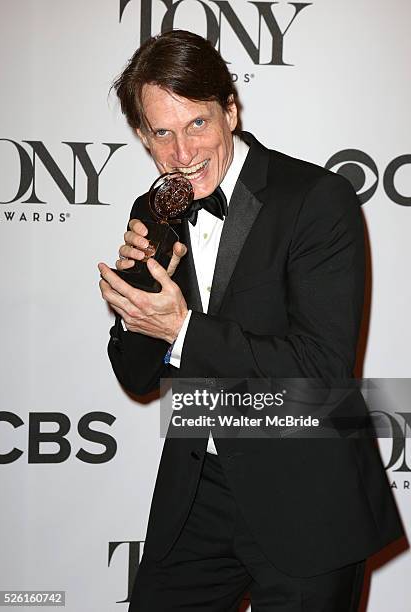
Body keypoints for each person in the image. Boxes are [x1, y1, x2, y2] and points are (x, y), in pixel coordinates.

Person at [99, 30, 403, 612]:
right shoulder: (152, 208)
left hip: (306, 489)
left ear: (230, 112)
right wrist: (136, 289)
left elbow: (320, 372)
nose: (182, 154)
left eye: (197, 125)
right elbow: (136, 376)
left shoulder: (317, 198)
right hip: (197, 493)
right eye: (162, 132)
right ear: (142, 134)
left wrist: (182, 330)